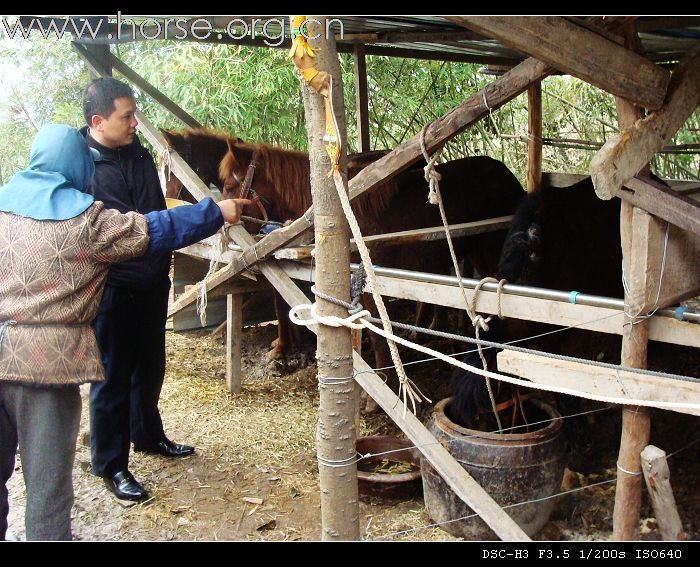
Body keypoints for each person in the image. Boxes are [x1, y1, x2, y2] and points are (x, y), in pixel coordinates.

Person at [0, 123, 249, 540]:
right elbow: (153, 231)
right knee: (46, 490)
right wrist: (215, 211)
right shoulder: (84, 223)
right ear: (78, 166)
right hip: (43, 368)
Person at [79, 77, 199, 502]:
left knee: (150, 368)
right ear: (98, 121)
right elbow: (120, 230)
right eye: (126, 116)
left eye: (134, 114)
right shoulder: (82, 167)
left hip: (151, 283)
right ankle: (111, 464)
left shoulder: (139, 155)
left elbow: (153, 215)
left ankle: (148, 434)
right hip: (112, 288)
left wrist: (157, 267)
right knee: (112, 377)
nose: (134, 123)